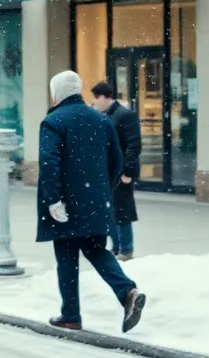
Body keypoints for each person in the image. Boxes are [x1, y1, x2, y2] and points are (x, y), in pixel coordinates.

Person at [39, 71, 147, 334]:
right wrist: (102, 191)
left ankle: (71, 315)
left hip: (65, 203)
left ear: (56, 94)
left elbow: (49, 162)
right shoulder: (101, 120)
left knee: (66, 258)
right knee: (97, 250)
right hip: (96, 200)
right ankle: (127, 291)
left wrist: (54, 200)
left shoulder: (53, 121)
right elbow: (117, 161)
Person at [90, 81, 141, 260]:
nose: (94, 102)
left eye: (96, 98)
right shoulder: (103, 115)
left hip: (121, 172)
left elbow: (133, 145)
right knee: (109, 210)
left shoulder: (124, 115)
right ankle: (118, 246)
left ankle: (126, 249)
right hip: (107, 171)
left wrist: (128, 171)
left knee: (122, 211)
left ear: (105, 97)